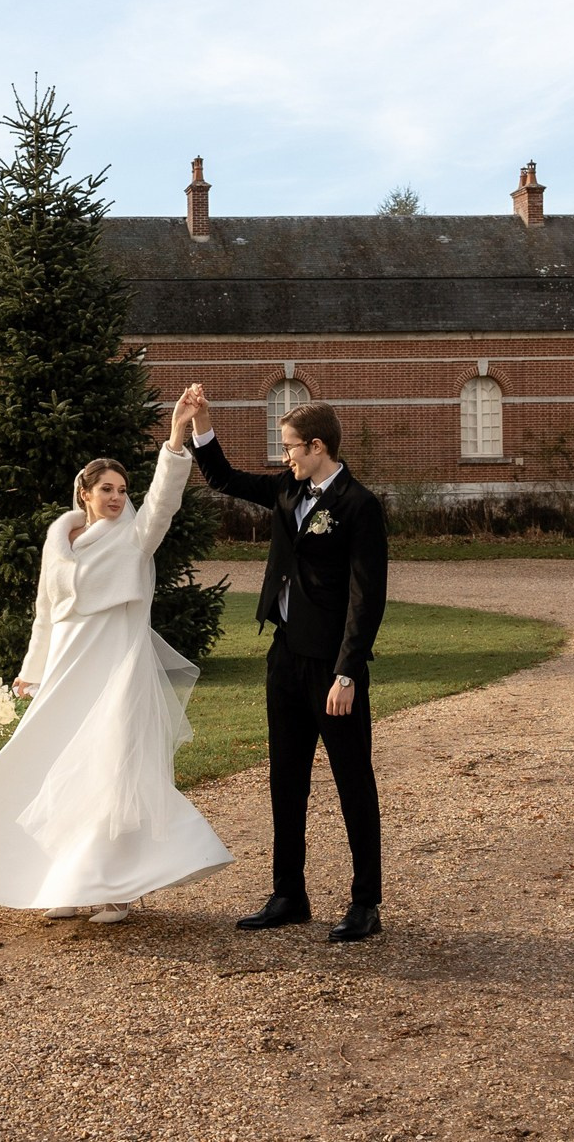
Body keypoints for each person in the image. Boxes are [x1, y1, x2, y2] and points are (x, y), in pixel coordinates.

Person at [0, 389, 232, 922]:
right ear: (85, 492)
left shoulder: (135, 538)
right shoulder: (58, 540)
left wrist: (176, 436)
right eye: (107, 489)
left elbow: (164, 500)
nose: (117, 498)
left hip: (117, 666)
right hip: (65, 668)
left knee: (112, 770)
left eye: (122, 490)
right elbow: (45, 613)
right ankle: (68, 883)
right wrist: (32, 671)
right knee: (57, 770)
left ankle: (117, 889)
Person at [182, 383, 387, 943]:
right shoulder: (287, 491)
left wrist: (348, 671)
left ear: (317, 446)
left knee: (353, 784)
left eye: (291, 446)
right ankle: (288, 894)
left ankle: (365, 903)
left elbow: (366, 598)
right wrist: (201, 423)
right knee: (286, 780)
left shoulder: (359, 506)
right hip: (285, 657)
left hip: (333, 669)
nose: (284, 455)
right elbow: (223, 478)